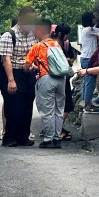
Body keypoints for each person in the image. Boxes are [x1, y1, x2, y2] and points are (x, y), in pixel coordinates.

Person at [0, 6, 38, 146]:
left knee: (27, 105)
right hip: (13, 73)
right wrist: (11, 80)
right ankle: (9, 137)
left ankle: (23, 136)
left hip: (28, 73)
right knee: (14, 106)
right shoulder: (8, 35)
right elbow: (6, 59)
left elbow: (33, 54)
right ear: (20, 19)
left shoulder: (33, 34)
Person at [26, 18, 67, 149]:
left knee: (47, 110)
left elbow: (26, 66)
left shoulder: (37, 47)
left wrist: (31, 67)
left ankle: (48, 139)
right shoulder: (56, 44)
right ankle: (57, 138)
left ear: (38, 30)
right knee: (58, 110)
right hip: (61, 79)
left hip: (46, 78)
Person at [53, 22, 78, 138]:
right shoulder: (55, 46)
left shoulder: (64, 45)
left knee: (60, 106)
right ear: (59, 34)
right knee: (66, 106)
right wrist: (66, 60)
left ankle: (56, 129)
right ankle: (57, 130)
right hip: (60, 79)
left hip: (62, 79)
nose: (67, 37)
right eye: (66, 34)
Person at [77, 11, 99, 113]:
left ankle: (84, 102)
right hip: (89, 59)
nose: (95, 19)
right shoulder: (89, 29)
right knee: (90, 83)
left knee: (86, 82)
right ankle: (88, 105)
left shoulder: (86, 30)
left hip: (85, 58)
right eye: (93, 18)